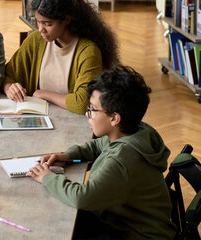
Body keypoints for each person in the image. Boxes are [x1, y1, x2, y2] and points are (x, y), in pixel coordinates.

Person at [27, 65, 175, 239]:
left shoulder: (122, 159)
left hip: (134, 234)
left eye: (92, 109)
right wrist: (67, 156)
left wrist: (47, 177)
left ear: (114, 118)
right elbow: (97, 146)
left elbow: (83, 197)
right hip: (119, 220)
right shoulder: (135, 131)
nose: (87, 114)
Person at [3, 0, 119, 114]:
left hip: (73, 123)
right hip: (37, 117)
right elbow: (6, 74)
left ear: (66, 20)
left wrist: (43, 94)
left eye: (48, 24)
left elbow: (82, 104)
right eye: (38, 22)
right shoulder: (36, 40)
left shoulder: (88, 52)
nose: (41, 29)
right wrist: (9, 87)